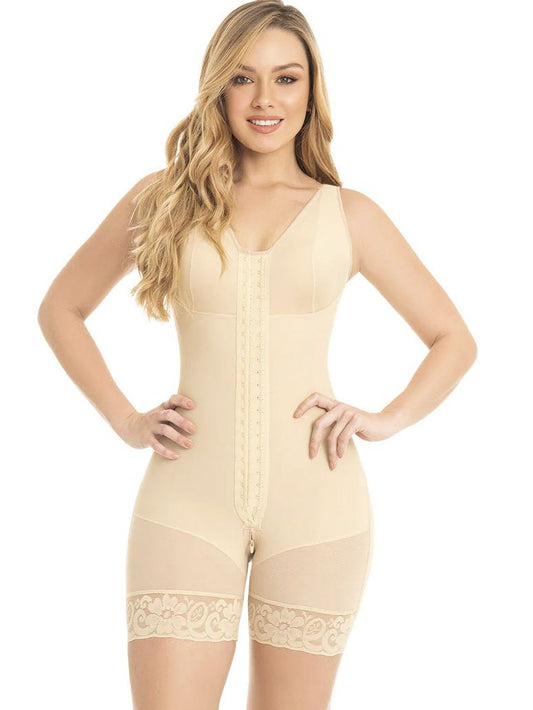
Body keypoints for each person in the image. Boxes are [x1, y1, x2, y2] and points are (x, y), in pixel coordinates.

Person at [37, 1, 477, 708]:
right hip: (186, 500)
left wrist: (384, 419)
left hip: (319, 507)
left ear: (311, 90)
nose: (265, 99)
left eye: (286, 78)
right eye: (243, 78)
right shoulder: (164, 200)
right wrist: (126, 420)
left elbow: (453, 339)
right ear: (218, 87)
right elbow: (61, 308)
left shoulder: (350, 214)